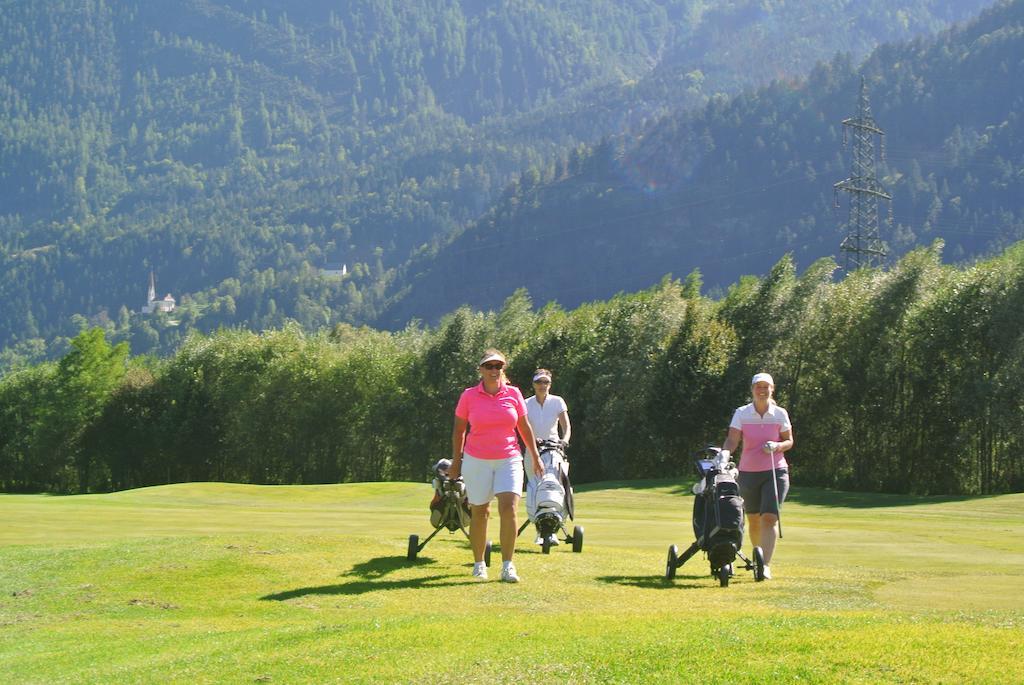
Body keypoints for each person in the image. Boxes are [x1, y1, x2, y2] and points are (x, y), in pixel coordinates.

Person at [449, 349, 544, 582]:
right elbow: (459, 431)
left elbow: (524, 427)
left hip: (509, 458)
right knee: (480, 512)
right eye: (489, 366)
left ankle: (508, 565)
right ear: (481, 370)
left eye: (498, 366)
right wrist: (456, 461)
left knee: (509, 508)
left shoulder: (514, 394)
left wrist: (535, 455)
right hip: (476, 459)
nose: (494, 370)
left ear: (503, 369)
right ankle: (479, 563)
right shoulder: (469, 396)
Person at [721, 372, 793, 580]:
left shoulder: (779, 413)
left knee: (769, 517)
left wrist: (778, 445)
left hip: (775, 470)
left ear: (772, 389)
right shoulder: (742, 413)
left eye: (766, 387)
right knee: (753, 519)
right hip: (748, 472)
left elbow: (789, 441)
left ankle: (765, 565)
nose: (762, 390)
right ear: (752, 390)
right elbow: (732, 440)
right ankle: (757, 558)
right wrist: (726, 453)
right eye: (758, 387)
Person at [524, 368, 572, 546]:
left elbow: (565, 426)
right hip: (532, 451)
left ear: (550, 384)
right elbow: (522, 426)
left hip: (553, 451)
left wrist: (564, 441)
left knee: (555, 488)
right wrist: (531, 440)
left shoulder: (557, 401)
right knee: (536, 488)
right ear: (533, 384)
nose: (542, 385)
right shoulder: (526, 403)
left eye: (545, 382)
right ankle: (541, 531)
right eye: (539, 382)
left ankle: (553, 529)